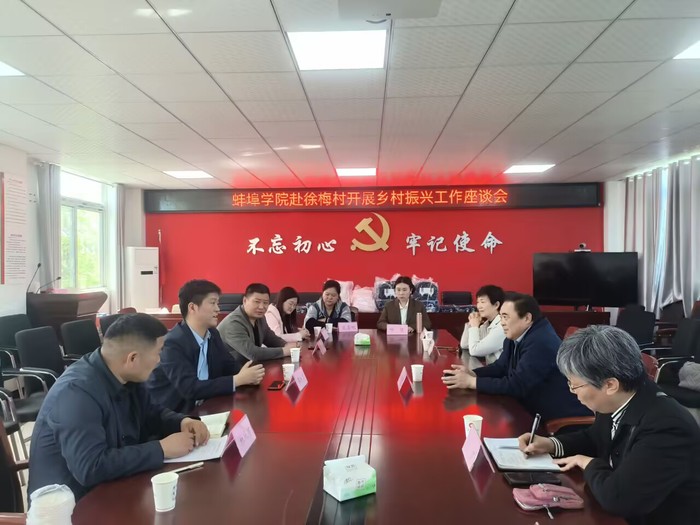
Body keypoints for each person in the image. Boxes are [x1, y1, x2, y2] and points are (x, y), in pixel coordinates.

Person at [518, 325, 700, 525]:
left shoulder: (667, 427)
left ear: (610, 385)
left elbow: (619, 499)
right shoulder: (621, 398)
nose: (572, 391)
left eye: (575, 384)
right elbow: (595, 438)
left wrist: (587, 463)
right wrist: (551, 444)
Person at [28, 314, 210, 501]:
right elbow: (90, 467)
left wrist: (182, 422)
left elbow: (151, 414)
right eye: (158, 352)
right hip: (72, 503)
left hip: (115, 486)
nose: (159, 360)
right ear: (133, 358)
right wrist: (161, 449)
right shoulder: (76, 393)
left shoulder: (127, 375)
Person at [442, 292, 589, 421]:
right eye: (500, 317)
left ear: (527, 318)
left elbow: (516, 386)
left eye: (506, 317)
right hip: (527, 408)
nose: (502, 323)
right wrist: (473, 374)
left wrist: (471, 382)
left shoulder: (541, 342)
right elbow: (500, 367)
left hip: (553, 416)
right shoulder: (516, 335)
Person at [147, 280, 264, 412]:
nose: (218, 309)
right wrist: (237, 380)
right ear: (192, 307)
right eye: (212, 303)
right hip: (175, 414)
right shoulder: (173, 343)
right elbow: (189, 388)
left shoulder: (212, 334)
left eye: (217, 303)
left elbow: (230, 366)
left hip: (207, 407)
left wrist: (250, 375)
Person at [218, 283, 300, 362]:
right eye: (257, 302)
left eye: (265, 303)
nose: (261, 307)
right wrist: (284, 351)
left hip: (248, 367)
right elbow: (253, 353)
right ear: (245, 301)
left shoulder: (260, 318)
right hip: (230, 370)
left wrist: (287, 345)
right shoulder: (233, 323)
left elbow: (271, 338)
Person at [459, 285, 505, 364]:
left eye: (483, 302)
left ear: (496, 305)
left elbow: (475, 350)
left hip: (502, 371)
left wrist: (474, 326)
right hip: (491, 369)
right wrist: (471, 324)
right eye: (478, 302)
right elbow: (465, 345)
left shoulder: (502, 325)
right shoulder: (487, 324)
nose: (479, 306)